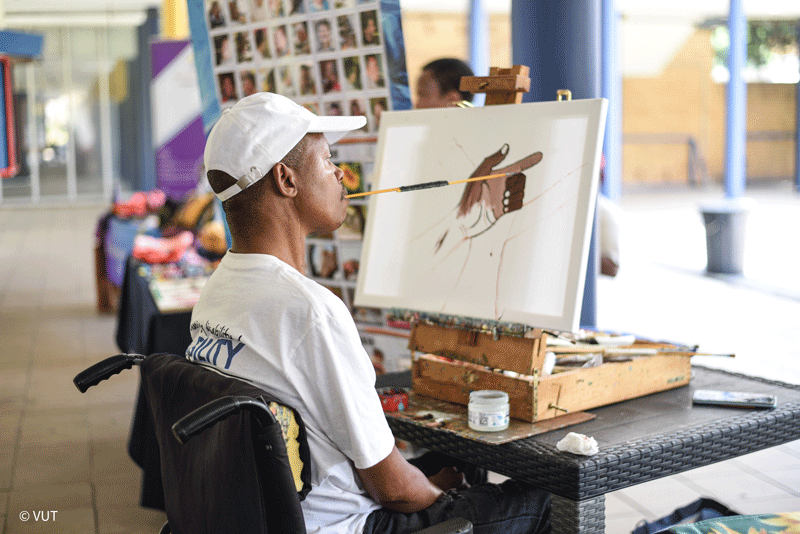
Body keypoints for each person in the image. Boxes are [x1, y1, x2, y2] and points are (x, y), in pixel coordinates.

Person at [191, 91, 551, 534]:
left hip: (273, 513)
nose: (340, 173)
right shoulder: (309, 312)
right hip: (342, 525)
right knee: (542, 500)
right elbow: (393, 490)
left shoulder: (216, 294)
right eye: (327, 160)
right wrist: (446, 500)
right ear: (286, 180)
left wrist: (434, 486)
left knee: (457, 467)